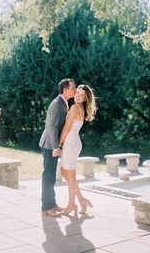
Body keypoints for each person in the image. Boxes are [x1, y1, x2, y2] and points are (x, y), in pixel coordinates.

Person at [39, 78, 76, 217]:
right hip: (49, 146)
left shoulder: (63, 103)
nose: (75, 89)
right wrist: (56, 147)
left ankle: (51, 203)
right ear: (65, 90)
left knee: (51, 176)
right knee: (48, 176)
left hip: (52, 145)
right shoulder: (56, 104)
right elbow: (51, 128)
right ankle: (47, 207)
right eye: (73, 87)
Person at [58, 84, 97, 215]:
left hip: (70, 143)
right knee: (65, 173)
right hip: (74, 142)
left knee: (70, 176)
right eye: (77, 93)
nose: (78, 97)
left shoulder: (75, 108)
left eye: (82, 96)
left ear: (86, 98)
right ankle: (81, 200)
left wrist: (58, 145)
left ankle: (71, 205)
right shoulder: (80, 108)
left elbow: (66, 128)